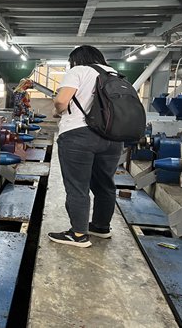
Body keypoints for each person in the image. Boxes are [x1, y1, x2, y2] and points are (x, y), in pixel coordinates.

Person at [48, 45, 124, 248]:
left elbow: (61, 101)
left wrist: (58, 110)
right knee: (104, 184)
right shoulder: (114, 74)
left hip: (79, 136)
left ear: (76, 60)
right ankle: (101, 226)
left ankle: (79, 234)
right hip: (112, 137)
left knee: (77, 186)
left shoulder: (78, 71)